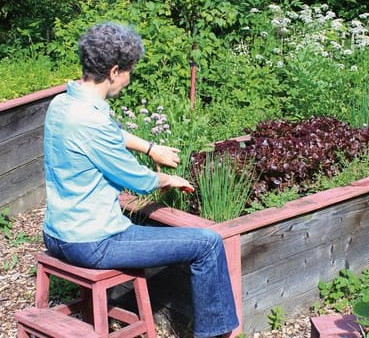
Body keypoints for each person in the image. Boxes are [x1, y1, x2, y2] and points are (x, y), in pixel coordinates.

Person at [42, 22, 239, 338]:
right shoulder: (91, 119)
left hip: (57, 234)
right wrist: (166, 179)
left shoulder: (62, 104)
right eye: (129, 71)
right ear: (114, 71)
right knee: (208, 243)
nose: (129, 79)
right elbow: (133, 178)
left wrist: (150, 147)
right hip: (93, 242)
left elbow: (109, 135)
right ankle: (217, 335)